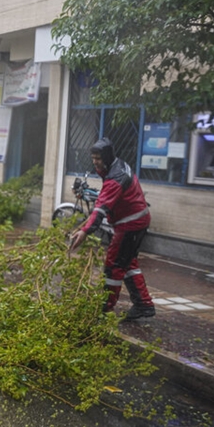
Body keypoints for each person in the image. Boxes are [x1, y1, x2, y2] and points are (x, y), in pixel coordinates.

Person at [69, 137, 156, 320]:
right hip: (137, 220)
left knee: (114, 266)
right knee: (128, 263)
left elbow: (101, 207)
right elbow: (106, 198)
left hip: (130, 224)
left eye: (98, 158)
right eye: (93, 158)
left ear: (107, 156)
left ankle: (104, 310)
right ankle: (144, 305)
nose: (95, 162)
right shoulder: (116, 166)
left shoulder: (115, 177)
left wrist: (85, 231)